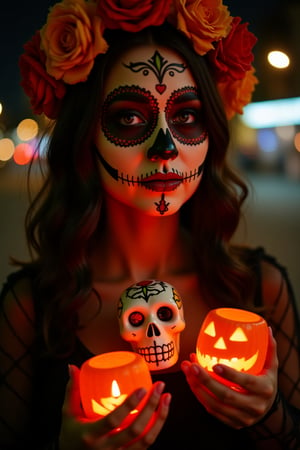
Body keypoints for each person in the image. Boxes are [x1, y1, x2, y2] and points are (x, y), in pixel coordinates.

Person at [0, 0, 299, 449]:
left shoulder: (261, 288)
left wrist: (271, 417)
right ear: (85, 134)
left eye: (187, 116)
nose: (165, 146)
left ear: (210, 135)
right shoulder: (29, 309)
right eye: (130, 117)